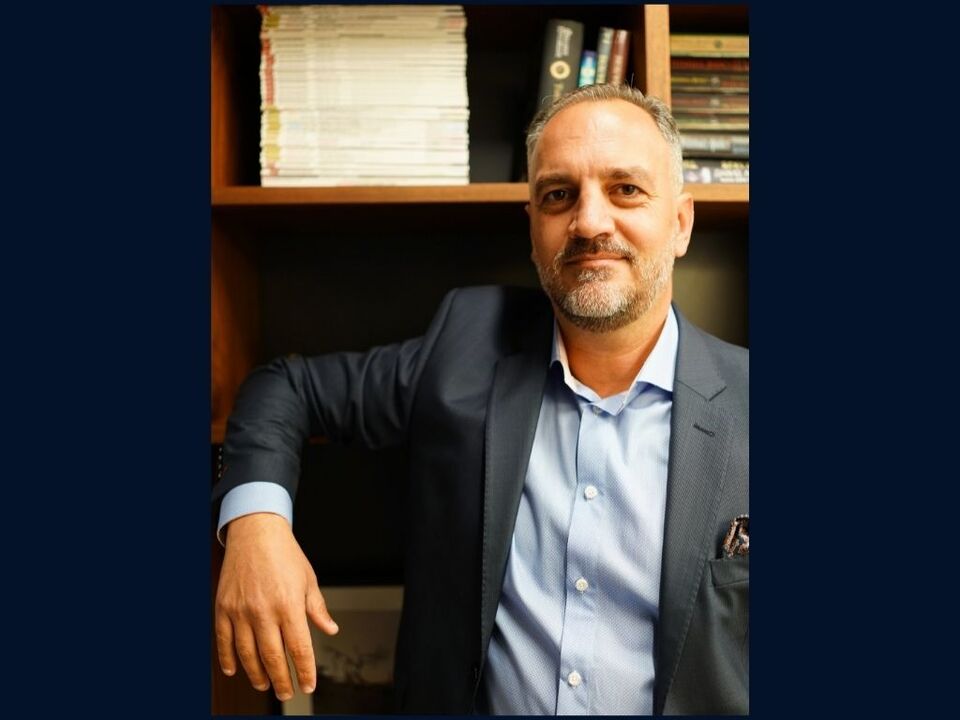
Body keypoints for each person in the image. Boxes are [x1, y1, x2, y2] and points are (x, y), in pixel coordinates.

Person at [212, 83, 749, 715]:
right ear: (533, 228)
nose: (589, 222)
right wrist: (256, 526)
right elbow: (287, 386)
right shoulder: (466, 348)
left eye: (625, 189)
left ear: (680, 223)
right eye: (558, 195)